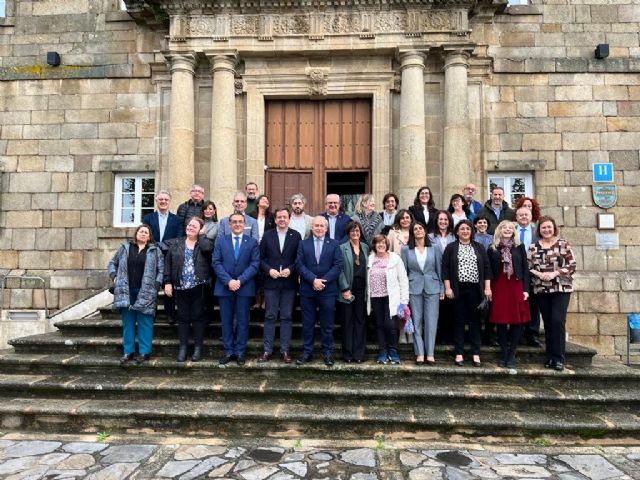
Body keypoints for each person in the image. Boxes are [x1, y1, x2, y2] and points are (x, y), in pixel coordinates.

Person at [108, 224, 163, 365]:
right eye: (141, 231)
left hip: (146, 291)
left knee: (145, 322)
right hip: (126, 291)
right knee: (128, 322)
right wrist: (114, 276)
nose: (143, 234)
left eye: (146, 232)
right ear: (136, 234)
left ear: (149, 236)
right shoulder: (125, 248)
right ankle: (128, 352)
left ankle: (144, 352)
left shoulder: (155, 250)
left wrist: (156, 286)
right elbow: (112, 263)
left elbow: (161, 270)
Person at [527, 216, 576, 371]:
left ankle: (559, 357)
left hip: (560, 288)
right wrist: (539, 274)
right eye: (543, 227)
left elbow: (572, 265)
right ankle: (550, 357)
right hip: (541, 289)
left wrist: (556, 273)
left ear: (554, 228)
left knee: (557, 321)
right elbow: (528, 267)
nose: (546, 230)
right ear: (539, 230)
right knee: (548, 323)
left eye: (549, 227)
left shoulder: (563, 245)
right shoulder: (533, 247)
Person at [442, 220, 492, 367]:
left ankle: (475, 353)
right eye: (462, 229)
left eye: (468, 229)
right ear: (457, 232)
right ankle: (459, 353)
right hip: (458, 290)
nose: (465, 231)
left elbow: (487, 267)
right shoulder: (451, 248)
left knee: (475, 322)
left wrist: (487, 288)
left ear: (472, 231)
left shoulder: (479, 247)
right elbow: (445, 269)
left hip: (475, 290)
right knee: (458, 321)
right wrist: (448, 288)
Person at [213, 213, 261, 366]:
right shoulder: (221, 241)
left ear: (245, 224)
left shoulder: (252, 242)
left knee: (242, 321)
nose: (237, 224)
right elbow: (216, 262)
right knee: (226, 321)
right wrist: (228, 281)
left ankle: (240, 351)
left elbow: (255, 264)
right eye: (234, 222)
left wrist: (239, 280)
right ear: (229, 224)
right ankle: (228, 351)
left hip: (244, 287)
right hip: (224, 287)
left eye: (240, 222)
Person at [295, 216, 343, 367]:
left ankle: (327, 352)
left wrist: (323, 281)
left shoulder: (334, 244)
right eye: (316, 225)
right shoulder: (303, 244)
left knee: (327, 324)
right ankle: (307, 352)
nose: (319, 228)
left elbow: (337, 266)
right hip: (307, 290)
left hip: (327, 290)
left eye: (322, 226)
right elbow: (299, 264)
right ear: (312, 227)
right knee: (307, 323)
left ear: (326, 228)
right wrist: (313, 280)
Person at [163, 217, 213, 362]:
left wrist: (202, 235)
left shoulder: (203, 243)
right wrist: (167, 282)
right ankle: (183, 348)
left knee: (198, 318)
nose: (190, 227)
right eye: (189, 225)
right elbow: (168, 263)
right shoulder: (177, 243)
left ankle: (197, 348)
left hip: (199, 286)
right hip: (181, 286)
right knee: (183, 318)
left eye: (195, 226)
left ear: (200, 229)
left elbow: (207, 249)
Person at [257, 207, 301, 364]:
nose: (282, 220)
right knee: (269, 316)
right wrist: (269, 270)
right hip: (271, 283)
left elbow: (299, 259)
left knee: (287, 317)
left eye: (285, 217)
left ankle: (285, 350)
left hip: (289, 283)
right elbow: (260, 259)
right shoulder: (268, 236)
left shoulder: (296, 236)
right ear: (275, 220)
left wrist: (291, 269)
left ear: (289, 219)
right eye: (279, 217)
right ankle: (267, 350)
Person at [488, 220, 530, 368]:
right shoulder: (493, 248)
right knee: (500, 320)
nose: (507, 230)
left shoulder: (519, 247)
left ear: (514, 231)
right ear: (499, 230)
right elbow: (488, 270)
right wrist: (488, 289)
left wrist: (526, 290)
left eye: (510, 228)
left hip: (516, 286)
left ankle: (512, 353)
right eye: (504, 227)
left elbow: (525, 270)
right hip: (499, 286)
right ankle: (504, 352)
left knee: (516, 320)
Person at [401, 221, 443, 365]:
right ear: (412, 233)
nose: (418, 230)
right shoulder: (406, 250)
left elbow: (440, 269)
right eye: (415, 229)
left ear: (425, 231)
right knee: (416, 321)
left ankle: (430, 353)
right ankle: (419, 353)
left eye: (420, 228)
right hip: (414, 288)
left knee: (431, 321)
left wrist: (442, 288)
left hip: (433, 287)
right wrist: (403, 294)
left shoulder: (435, 248)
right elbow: (404, 273)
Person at [367, 234, 409, 365]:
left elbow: (403, 280)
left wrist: (404, 301)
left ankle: (393, 351)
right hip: (375, 297)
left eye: (383, 243)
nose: (381, 245)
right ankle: (383, 351)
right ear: (374, 245)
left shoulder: (395, 258)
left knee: (390, 325)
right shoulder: (370, 259)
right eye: (378, 243)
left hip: (392, 298)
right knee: (379, 325)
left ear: (387, 245)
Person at [142, 190, 182, 324]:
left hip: (170, 257)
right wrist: (156, 247)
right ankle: (150, 313)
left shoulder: (177, 220)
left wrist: (162, 245)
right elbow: (145, 236)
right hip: (152, 256)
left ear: (169, 202)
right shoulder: (148, 218)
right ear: (156, 201)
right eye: (161, 199)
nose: (163, 202)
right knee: (151, 286)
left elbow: (178, 238)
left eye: (166, 199)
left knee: (168, 285)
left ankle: (170, 314)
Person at [337, 221, 369, 363]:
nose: (355, 233)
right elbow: (339, 269)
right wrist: (344, 288)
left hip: (362, 288)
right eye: (352, 231)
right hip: (347, 288)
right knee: (347, 322)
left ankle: (359, 354)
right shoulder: (341, 248)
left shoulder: (365, 247)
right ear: (348, 233)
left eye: (357, 231)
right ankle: (348, 354)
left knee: (360, 321)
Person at [515, 206, 541, 347]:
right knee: (518, 303)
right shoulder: (512, 231)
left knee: (534, 304)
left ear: (531, 217)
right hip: (517, 273)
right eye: (521, 215)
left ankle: (532, 334)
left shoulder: (537, 232)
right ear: (516, 217)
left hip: (533, 272)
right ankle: (517, 333)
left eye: (526, 215)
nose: (523, 217)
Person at [429, 210, 456, 345]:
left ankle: (449, 335)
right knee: (438, 308)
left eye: (446, 219)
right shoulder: (430, 237)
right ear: (436, 221)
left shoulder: (455, 236)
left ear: (449, 221)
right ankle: (439, 336)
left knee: (451, 307)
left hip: (452, 274)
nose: (443, 222)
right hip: (435, 274)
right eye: (440, 219)